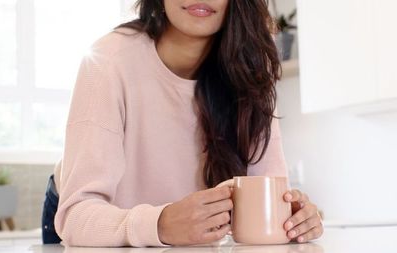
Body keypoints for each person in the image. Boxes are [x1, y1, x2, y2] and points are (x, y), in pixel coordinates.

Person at [41, 0, 323, 247]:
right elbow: (76, 215)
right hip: (89, 223)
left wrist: (294, 219)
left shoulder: (250, 74)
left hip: (182, 235)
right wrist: (161, 223)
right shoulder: (108, 61)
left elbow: (269, 196)